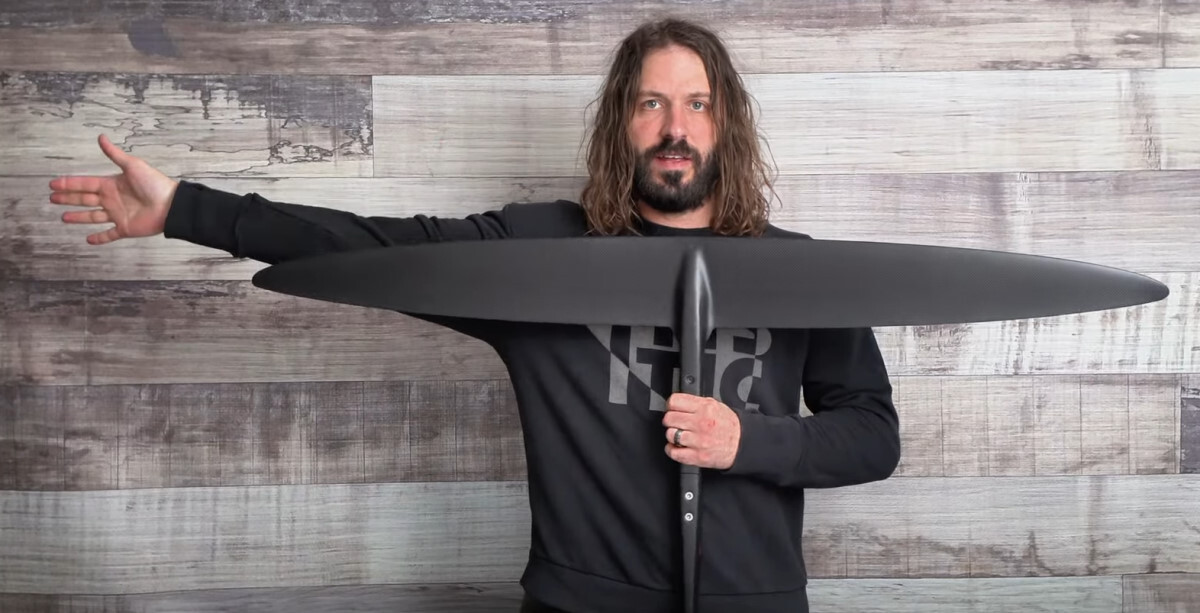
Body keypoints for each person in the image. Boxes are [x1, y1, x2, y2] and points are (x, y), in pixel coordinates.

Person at [48, 18, 900, 613]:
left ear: (726, 125)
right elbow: (376, 247)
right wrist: (186, 209)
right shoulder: (541, 253)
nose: (675, 127)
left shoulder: (801, 269)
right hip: (578, 602)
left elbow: (872, 434)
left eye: (698, 103)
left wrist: (751, 441)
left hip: (757, 602)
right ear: (621, 124)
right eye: (651, 103)